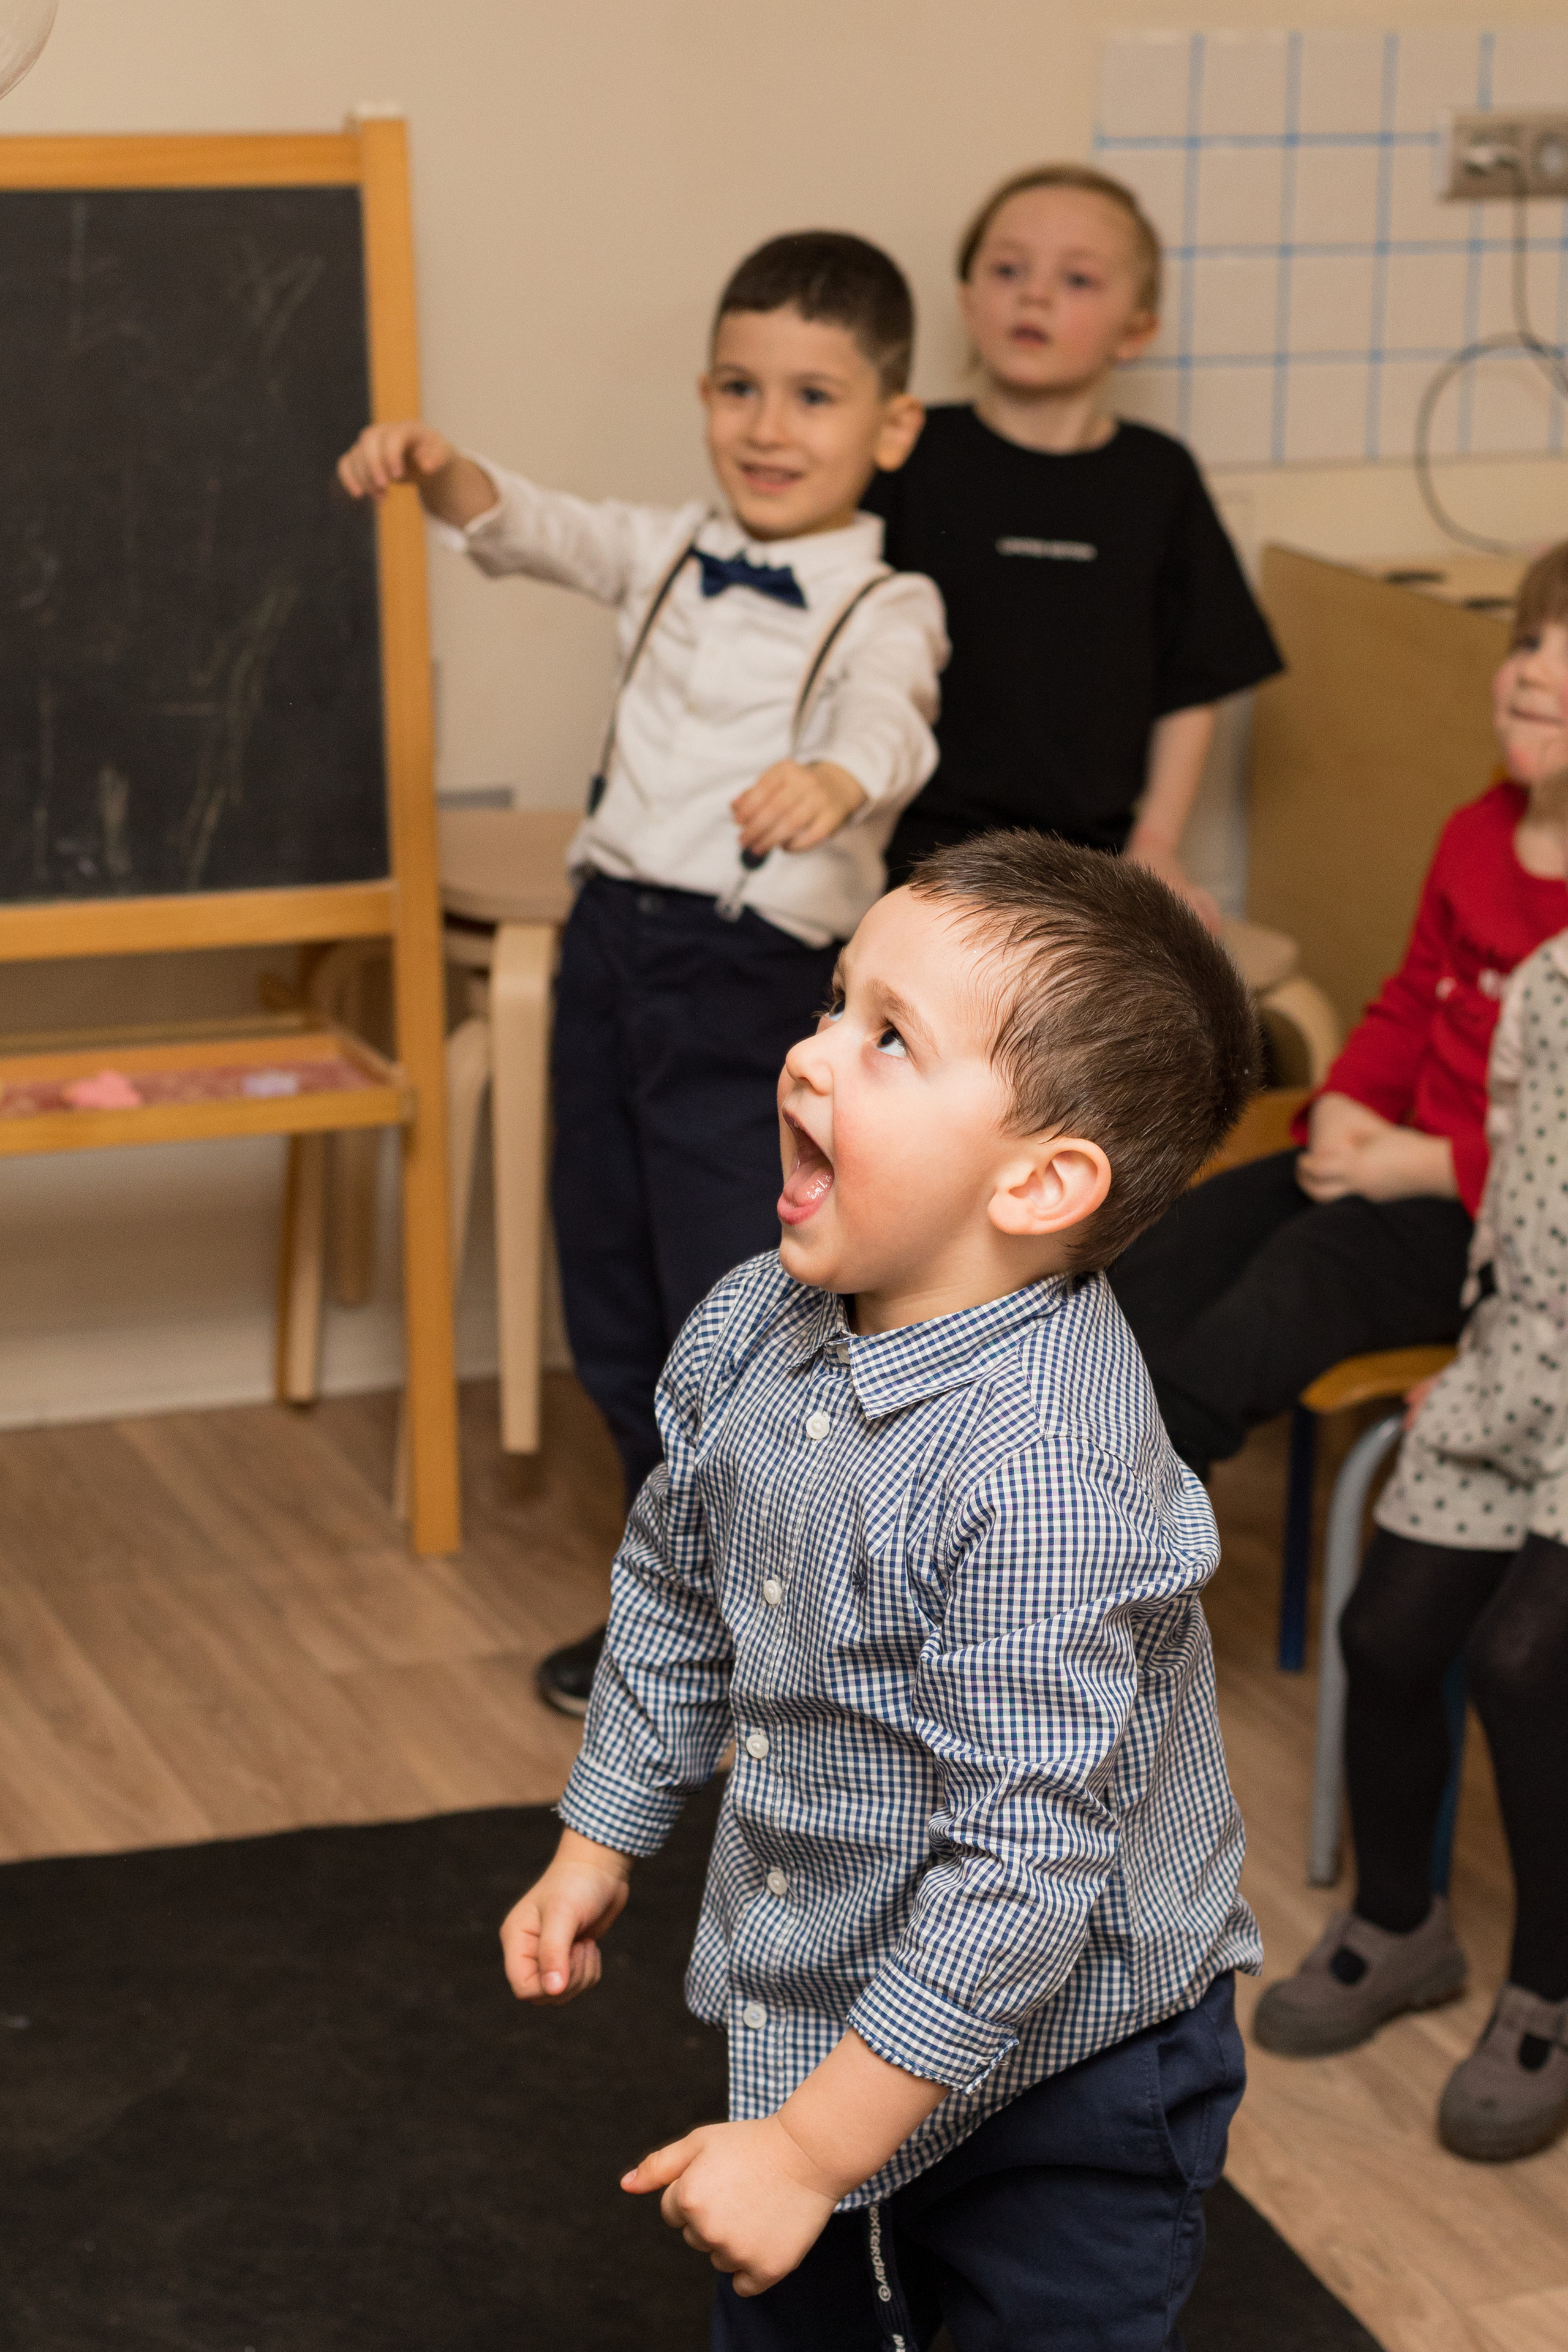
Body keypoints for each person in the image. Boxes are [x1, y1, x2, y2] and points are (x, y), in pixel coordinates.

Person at [500, 833, 1262, 2350]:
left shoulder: (1043, 1475)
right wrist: (603, 1827)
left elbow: (1021, 1870)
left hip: (1074, 2062)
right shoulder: (754, 1316)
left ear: (1039, 1180)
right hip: (831, 1970)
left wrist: (802, 2148)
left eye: (887, 1037)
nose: (809, 1051)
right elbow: (673, 1577)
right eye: (834, 997)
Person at [338, 233, 947, 1714]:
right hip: (613, 949)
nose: (765, 425)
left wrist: (832, 776)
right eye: (739, 386)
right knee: (606, 1293)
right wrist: (440, 463)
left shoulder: (889, 603)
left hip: (749, 987)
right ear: (701, 395)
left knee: (727, 1313)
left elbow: (897, 723)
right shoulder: (669, 546)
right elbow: (530, 524)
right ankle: (672, 1610)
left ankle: (779, 1639)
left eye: (811, 395)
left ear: (890, 426)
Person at [1110, 541, 1568, 1476]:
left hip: (1503, 1231)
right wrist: (1351, 1107)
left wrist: (1431, 1164)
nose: (1534, 673)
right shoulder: (1476, 834)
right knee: (1149, 1265)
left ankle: (1115, 1540)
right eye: (1528, 642)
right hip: (1387, 1156)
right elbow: (1412, 1001)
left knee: (1273, 1307)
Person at [1254, 894, 1568, 2163]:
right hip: (1513, 1354)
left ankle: (1548, 1989)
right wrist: (1475, 1335)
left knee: (1522, 1660)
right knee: (1383, 1633)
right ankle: (1399, 1925)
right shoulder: (1547, 980)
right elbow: (1507, 1181)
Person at [861, 163, 1281, 918]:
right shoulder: (909, 451)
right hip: (909, 853)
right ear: (967, 301)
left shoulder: (1158, 477)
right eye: (1007, 268)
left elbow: (1195, 682)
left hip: (1093, 868)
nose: (1035, 293)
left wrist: (1156, 840)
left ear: (1136, 331)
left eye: (1078, 279)